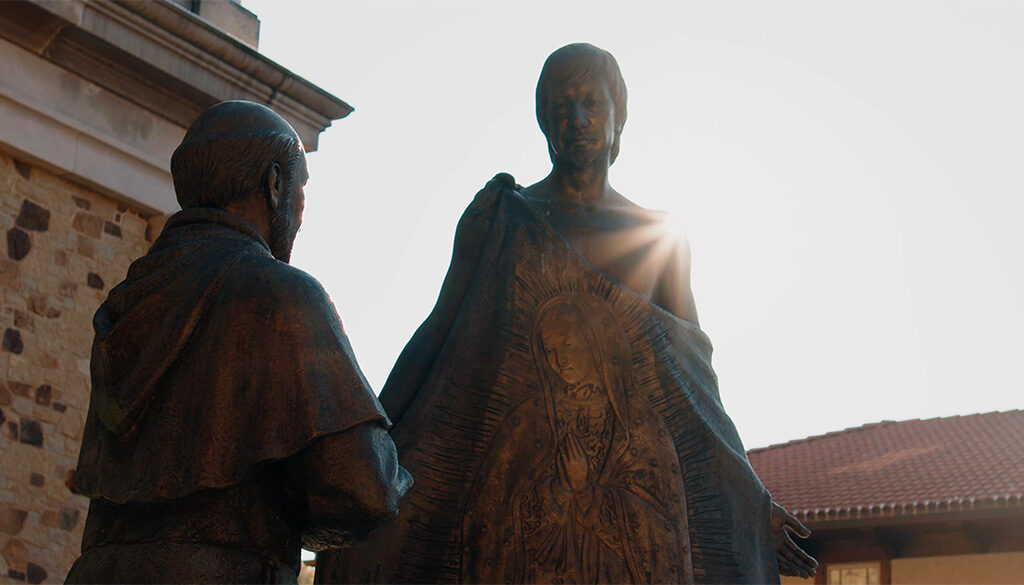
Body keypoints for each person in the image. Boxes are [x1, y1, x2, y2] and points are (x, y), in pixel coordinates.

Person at [317, 44, 815, 583]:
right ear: (543, 121)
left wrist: (751, 499)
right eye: (560, 108)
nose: (576, 120)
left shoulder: (659, 238)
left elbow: (697, 390)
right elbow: (437, 337)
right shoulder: (502, 217)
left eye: (589, 104)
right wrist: (371, 446)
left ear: (617, 113)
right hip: (523, 485)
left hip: (630, 488)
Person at [66, 101, 412, 584]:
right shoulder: (283, 293)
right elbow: (362, 490)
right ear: (274, 184)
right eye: (302, 186)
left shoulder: (125, 305)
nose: (301, 204)